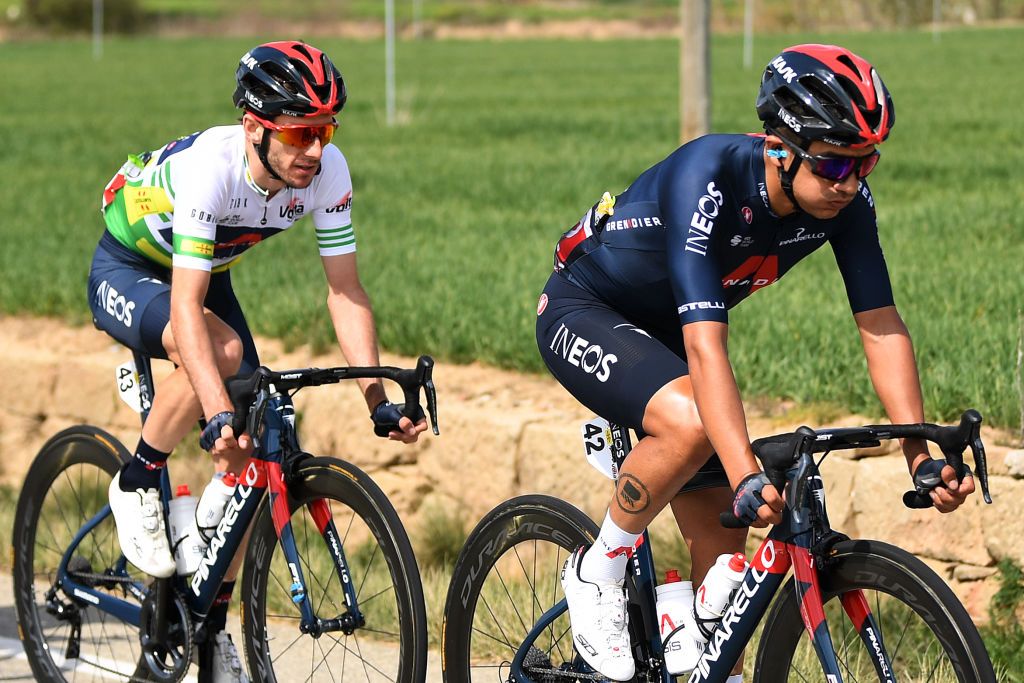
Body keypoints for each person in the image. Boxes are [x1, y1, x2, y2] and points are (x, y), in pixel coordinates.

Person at [535, 44, 976, 681]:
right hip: (585, 308)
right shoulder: (708, 178)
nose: (848, 183)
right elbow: (704, 347)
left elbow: (880, 325)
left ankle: (675, 627)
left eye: (863, 163)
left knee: (723, 605)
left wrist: (919, 449)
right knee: (691, 423)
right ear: (780, 146)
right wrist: (743, 472)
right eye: (831, 164)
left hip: (675, 340)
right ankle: (596, 569)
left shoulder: (845, 200)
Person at [88, 41, 426, 681]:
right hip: (132, 267)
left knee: (247, 465)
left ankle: (207, 621)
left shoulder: (327, 172)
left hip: (204, 271)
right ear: (254, 126)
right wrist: (216, 409)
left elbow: (345, 291)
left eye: (325, 130)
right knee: (221, 358)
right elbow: (186, 309)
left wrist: (377, 399)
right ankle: (136, 478)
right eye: (301, 132)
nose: (316, 150)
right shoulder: (209, 170)